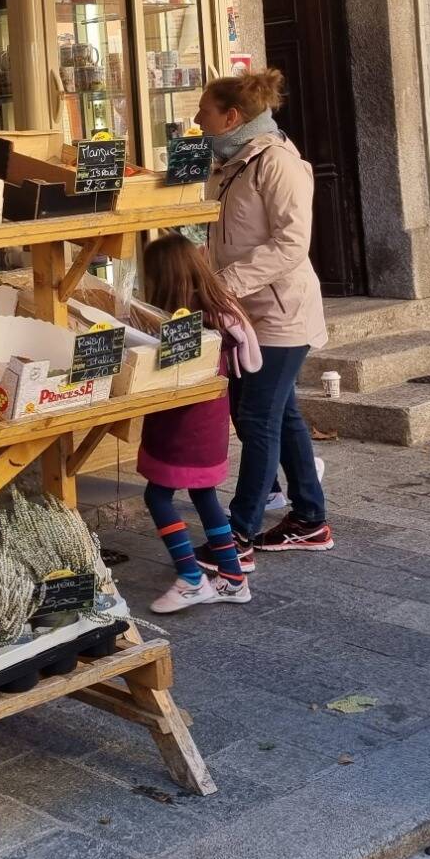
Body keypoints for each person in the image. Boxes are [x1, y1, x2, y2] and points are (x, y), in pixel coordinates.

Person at [197, 68, 333, 555]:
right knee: (281, 414)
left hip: (280, 315)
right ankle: (310, 518)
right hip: (247, 314)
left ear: (231, 116)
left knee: (256, 419)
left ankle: (239, 531)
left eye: (205, 111)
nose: (197, 119)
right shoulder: (235, 162)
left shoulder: (277, 161)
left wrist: (224, 285)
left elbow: (293, 242)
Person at [136, 235, 262, 613]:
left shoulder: (185, 321)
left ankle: (191, 578)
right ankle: (233, 578)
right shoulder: (220, 309)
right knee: (204, 493)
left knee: (156, 496)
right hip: (211, 421)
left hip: (182, 426)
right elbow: (252, 360)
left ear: (165, 276)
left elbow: (169, 373)